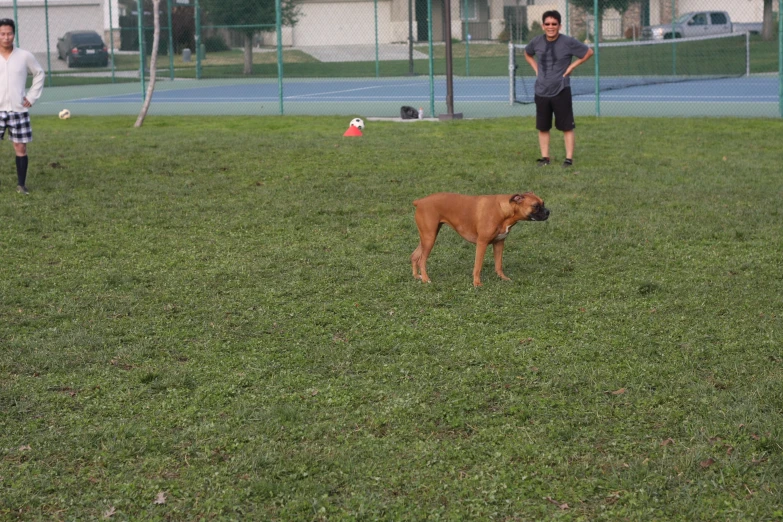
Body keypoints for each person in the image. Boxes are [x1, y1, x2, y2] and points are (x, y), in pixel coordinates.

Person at [524, 10, 593, 168]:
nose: (550, 27)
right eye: (547, 24)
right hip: (541, 91)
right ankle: (545, 158)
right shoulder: (536, 42)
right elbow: (527, 54)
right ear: (543, 26)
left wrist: (572, 66)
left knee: (566, 127)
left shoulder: (568, 42)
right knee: (543, 127)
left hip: (561, 90)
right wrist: (536, 69)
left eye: (554, 24)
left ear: (559, 26)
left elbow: (588, 52)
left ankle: (568, 159)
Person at [0, 18, 45, 194]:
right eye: (2, 34)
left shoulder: (24, 56)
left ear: (14, 34)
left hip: (18, 110)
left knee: (21, 147)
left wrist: (32, 97)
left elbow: (39, 74)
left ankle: (21, 185)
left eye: (9, 33)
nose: (6, 37)